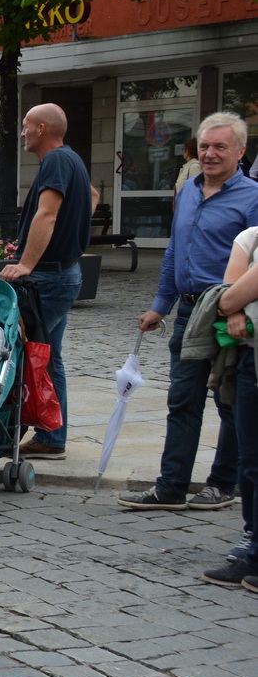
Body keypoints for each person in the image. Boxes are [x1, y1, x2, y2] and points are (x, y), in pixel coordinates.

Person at [120, 112, 256, 502]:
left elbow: (257, 264)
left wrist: (237, 312)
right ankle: (171, 487)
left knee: (230, 403)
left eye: (220, 147)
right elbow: (175, 251)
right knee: (182, 400)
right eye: (204, 147)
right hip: (188, 313)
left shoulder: (253, 198)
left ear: (241, 151)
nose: (210, 154)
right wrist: (160, 305)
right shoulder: (190, 191)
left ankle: (222, 484)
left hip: (231, 315)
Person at [0, 103, 95, 459]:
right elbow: (92, 198)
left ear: (41, 129)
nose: (21, 132)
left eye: (25, 126)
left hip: (50, 276)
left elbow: (47, 213)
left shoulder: (55, 161)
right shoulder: (73, 160)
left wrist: (25, 264)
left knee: (23, 356)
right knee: (49, 358)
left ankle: (3, 434)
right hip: (63, 272)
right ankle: (52, 438)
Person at [205, 220, 258, 588]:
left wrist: (234, 302)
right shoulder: (251, 236)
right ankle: (252, 543)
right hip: (251, 359)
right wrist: (236, 308)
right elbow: (226, 297)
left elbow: (229, 296)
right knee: (252, 460)